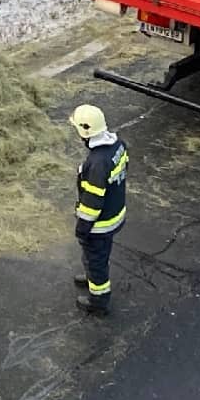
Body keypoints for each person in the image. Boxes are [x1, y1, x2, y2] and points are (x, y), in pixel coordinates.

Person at [70, 104, 127, 316]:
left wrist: (82, 227)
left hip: (99, 225)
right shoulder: (118, 145)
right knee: (98, 256)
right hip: (114, 215)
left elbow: (92, 203)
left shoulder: (96, 164)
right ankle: (91, 276)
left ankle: (99, 301)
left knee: (96, 260)